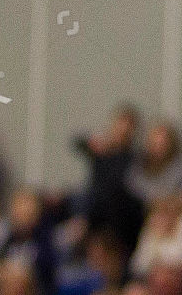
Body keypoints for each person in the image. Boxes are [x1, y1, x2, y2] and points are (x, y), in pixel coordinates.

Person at [73, 106, 145, 255]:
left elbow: (120, 187)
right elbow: (77, 142)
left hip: (118, 215)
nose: (122, 131)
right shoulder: (101, 152)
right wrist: (96, 144)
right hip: (94, 205)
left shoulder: (134, 157)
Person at [126, 123, 182, 209]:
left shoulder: (180, 170)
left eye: (162, 144)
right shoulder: (137, 166)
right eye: (155, 143)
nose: (158, 148)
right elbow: (133, 189)